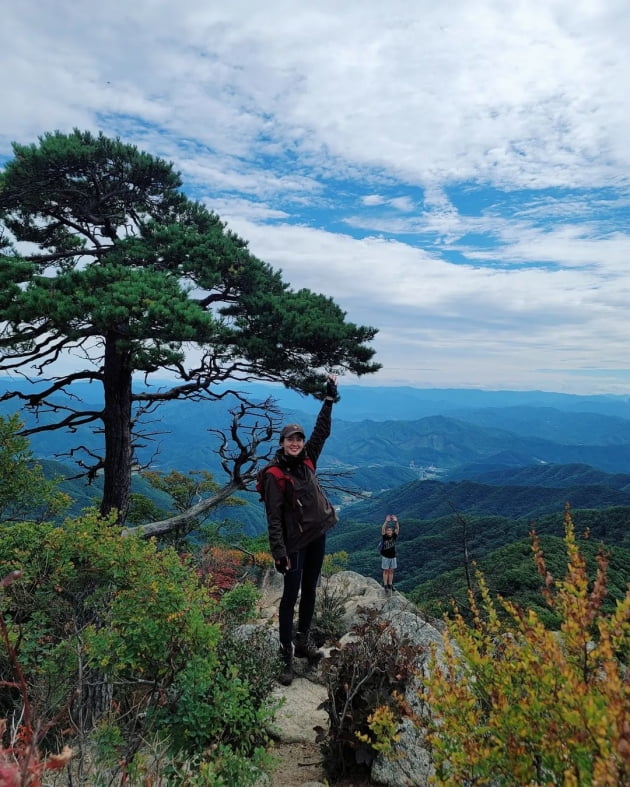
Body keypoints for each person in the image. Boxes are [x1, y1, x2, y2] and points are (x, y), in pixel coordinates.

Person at [261, 375, 339, 686]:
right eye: (290, 439)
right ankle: (285, 657)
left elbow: (322, 432)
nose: (295, 443)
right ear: (282, 443)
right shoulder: (274, 475)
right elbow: (274, 518)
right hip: (293, 544)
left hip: (317, 535)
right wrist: (279, 553)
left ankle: (303, 642)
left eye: (299, 439)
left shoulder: (308, 459)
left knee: (310, 591)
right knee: (289, 596)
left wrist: (329, 400)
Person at [380, 514, 400, 591]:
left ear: (392, 531)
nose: (389, 531)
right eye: (388, 530)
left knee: (391, 571)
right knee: (385, 571)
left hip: (393, 556)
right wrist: (386, 521)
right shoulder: (384, 537)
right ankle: (385, 585)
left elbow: (397, 529)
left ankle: (390, 584)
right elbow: (382, 529)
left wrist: (396, 521)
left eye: (390, 530)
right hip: (385, 556)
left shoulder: (394, 536)